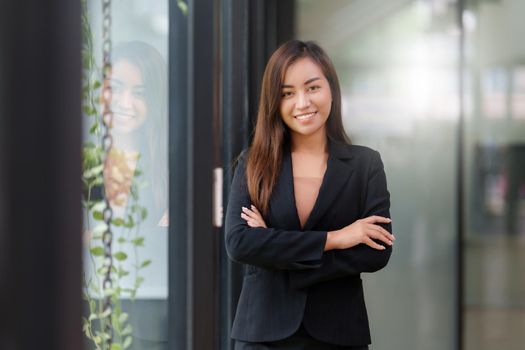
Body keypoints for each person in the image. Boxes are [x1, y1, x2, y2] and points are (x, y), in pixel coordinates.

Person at [225, 40, 394, 349]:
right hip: (262, 335)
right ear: (274, 102)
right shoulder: (253, 163)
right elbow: (239, 243)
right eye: (287, 93)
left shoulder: (365, 164)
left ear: (331, 89)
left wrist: (274, 247)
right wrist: (337, 238)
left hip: (338, 334)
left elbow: (376, 251)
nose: (302, 102)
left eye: (312, 87)